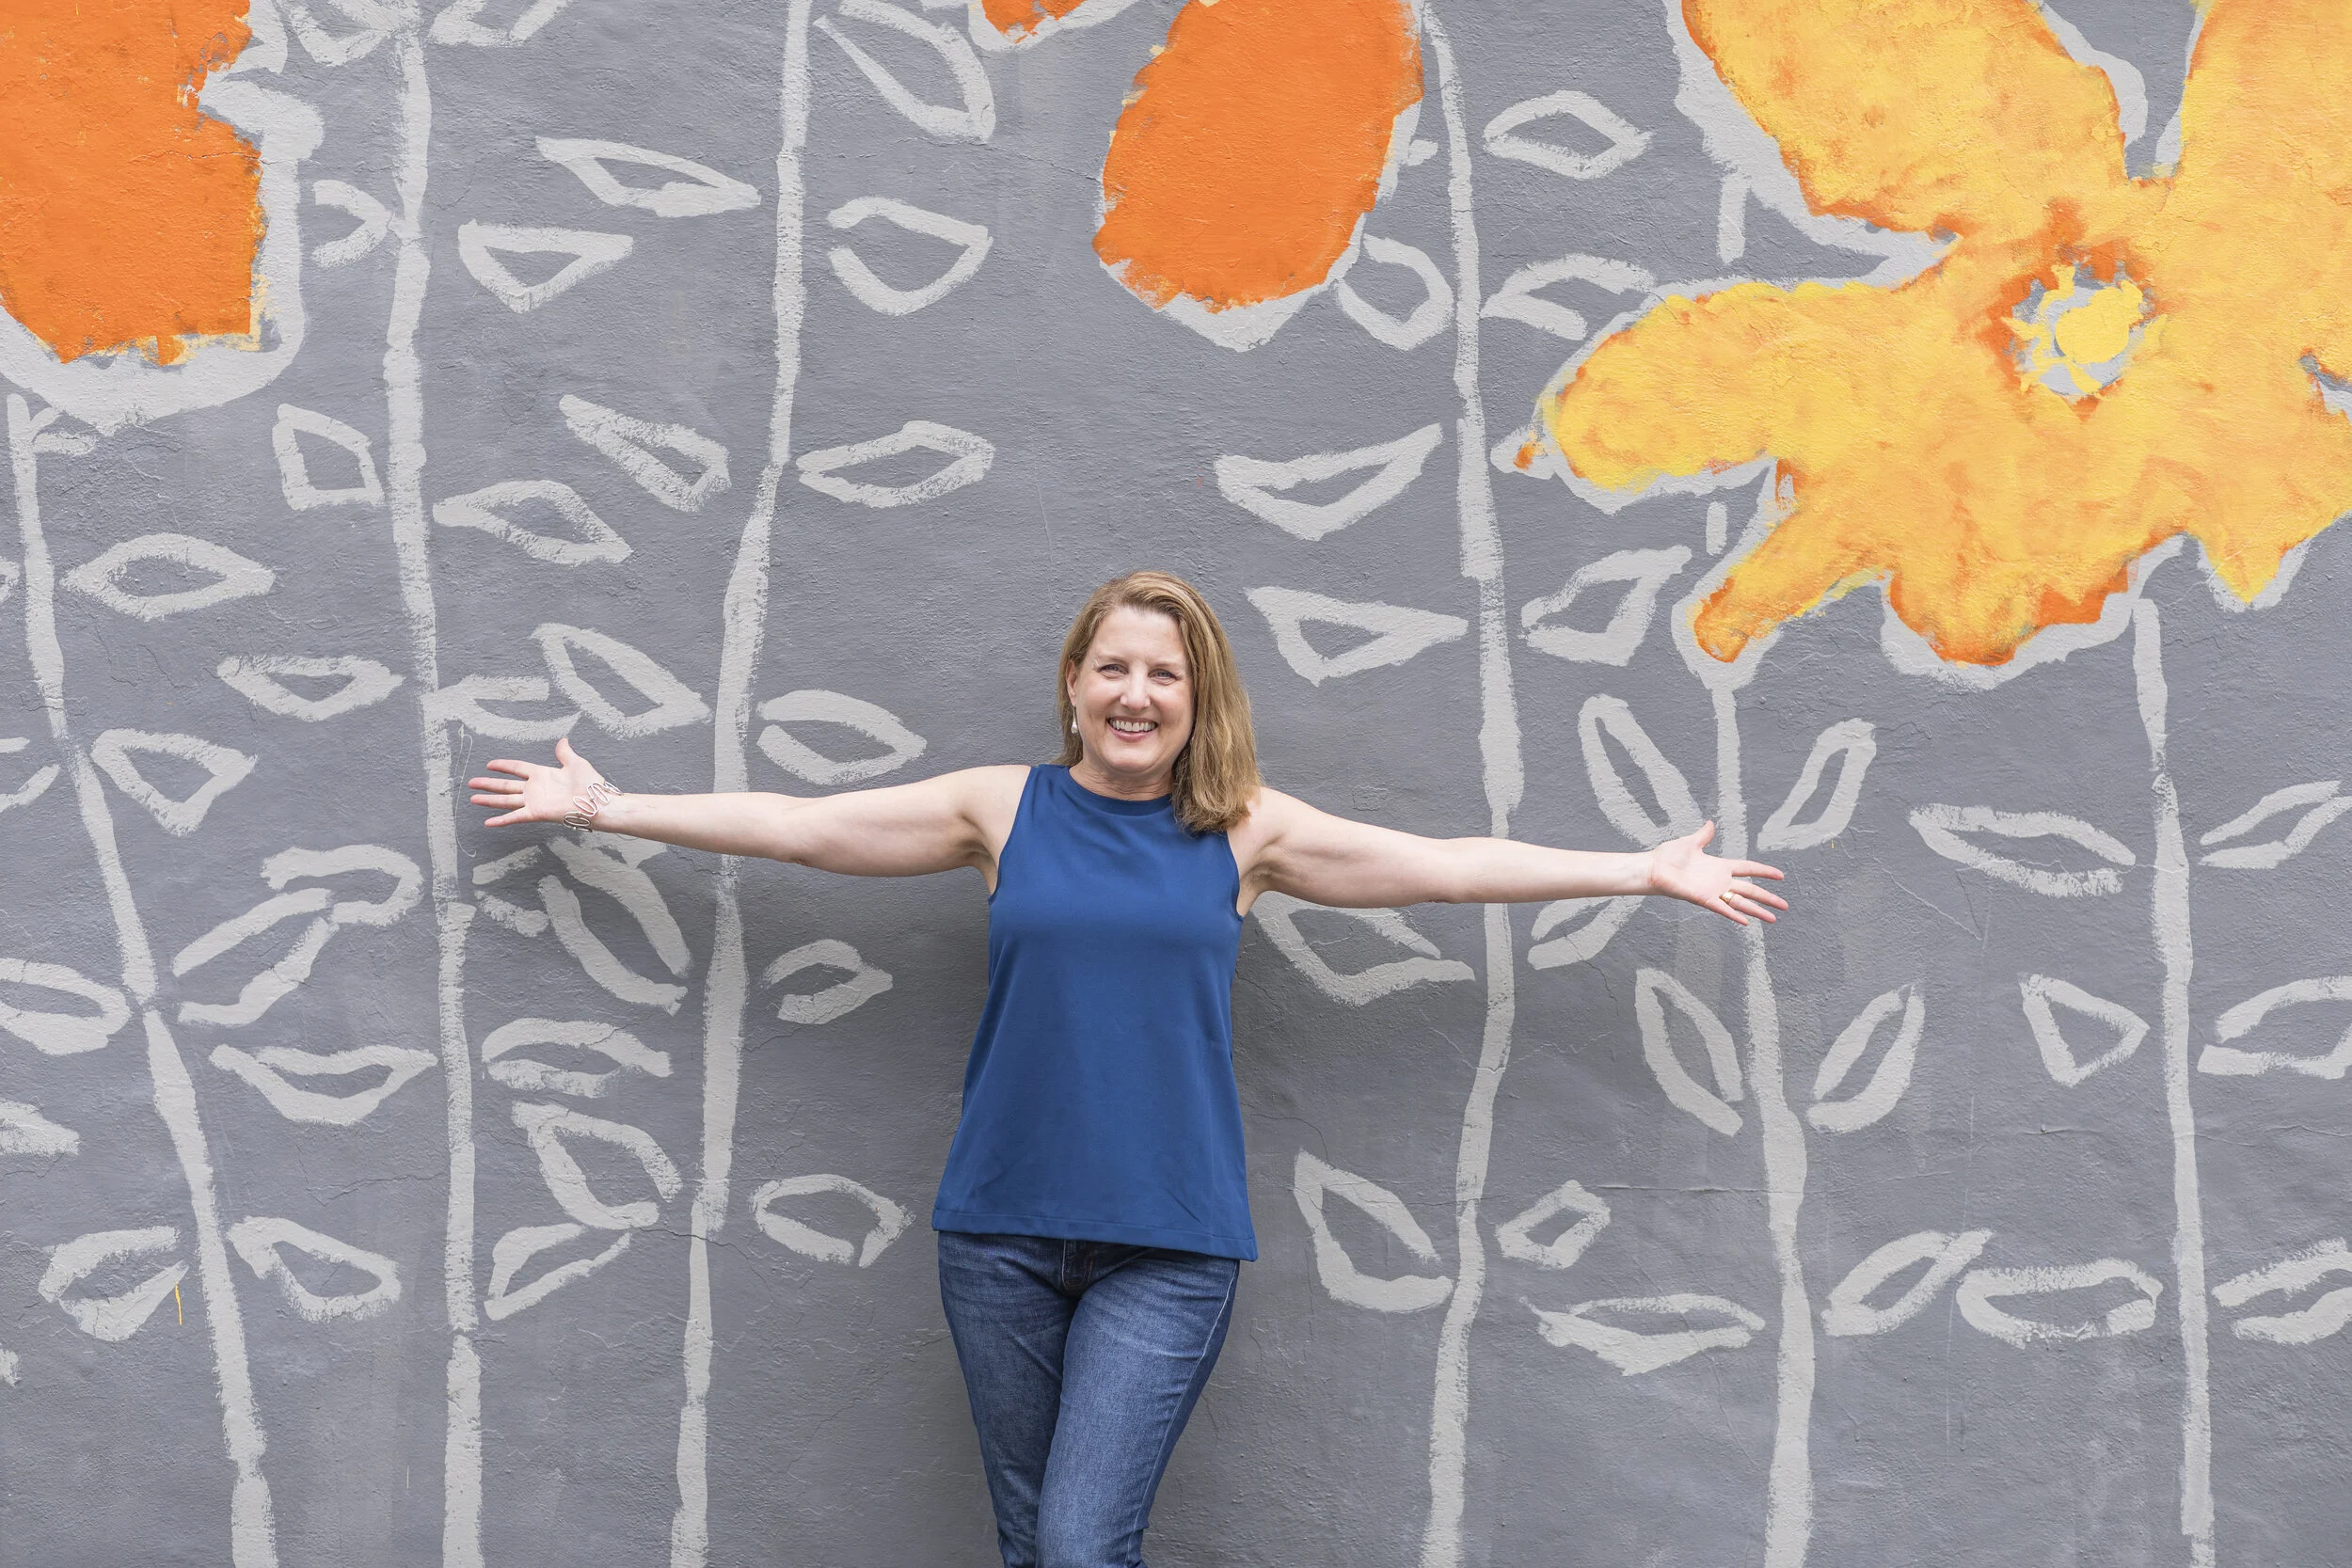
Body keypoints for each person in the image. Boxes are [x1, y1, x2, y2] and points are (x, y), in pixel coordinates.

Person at [468, 569, 1787, 1568]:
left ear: (1196, 695)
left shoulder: (1244, 831)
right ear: (1075, 684)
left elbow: (1441, 864)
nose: (1137, 693)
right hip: (997, 1235)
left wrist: (1639, 866)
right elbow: (807, 828)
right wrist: (609, 805)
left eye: (1164, 673)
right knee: (1037, 1544)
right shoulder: (1003, 809)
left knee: (1081, 1547)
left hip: (1164, 1248)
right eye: (1114, 668)